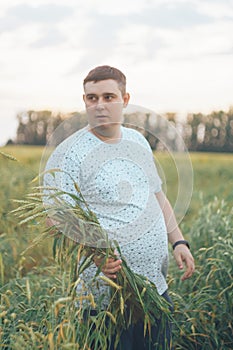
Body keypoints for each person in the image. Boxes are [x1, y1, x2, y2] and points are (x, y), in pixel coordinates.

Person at [44, 65, 195, 349]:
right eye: (92, 98)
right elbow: (54, 218)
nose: (99, 105)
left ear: (125, 99)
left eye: (109, 96)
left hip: (154, 290)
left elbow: (157, 198)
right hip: (105, 299)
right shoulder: (69, 151)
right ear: (85, 100)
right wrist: (95, 253)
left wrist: (179, 241)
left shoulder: (138, 141)